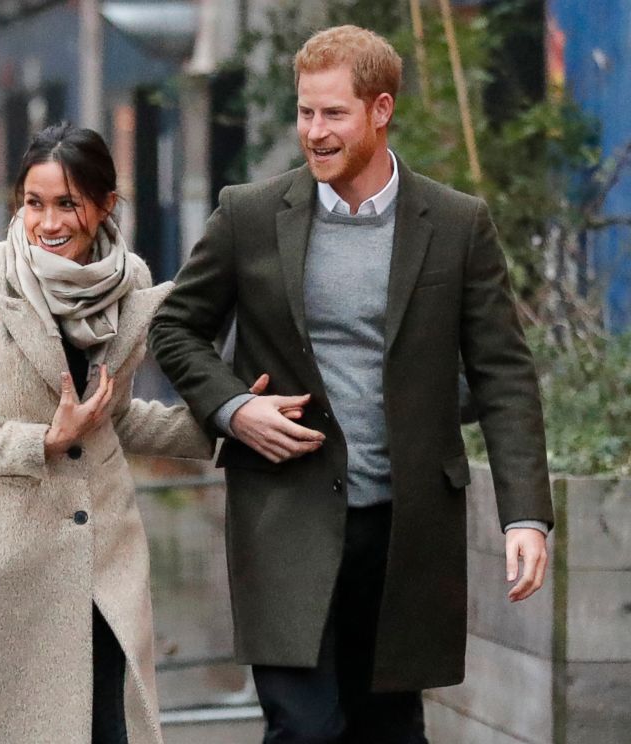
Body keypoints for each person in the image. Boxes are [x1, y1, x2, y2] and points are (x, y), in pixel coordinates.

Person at [149, 25, 554, 744]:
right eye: (305, 113)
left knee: (391, 729)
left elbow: (504, 373)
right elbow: (176, 328)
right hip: (284, 520)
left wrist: (525, 516)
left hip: (407, 529)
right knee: (305, 730)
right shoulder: (249, 215)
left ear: (380, 109)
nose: (314, 131)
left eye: (332, 113)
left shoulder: (457, 225)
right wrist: (234, 408)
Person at [0, 122, 213, 744]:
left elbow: (116, 418)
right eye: (34, 202)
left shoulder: (129, 281)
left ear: (106, 204)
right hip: (6, 574)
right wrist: (41, 442)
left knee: (110, 728)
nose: (48, 222)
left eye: (67, 204)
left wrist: (226, 424)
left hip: (104, 564)